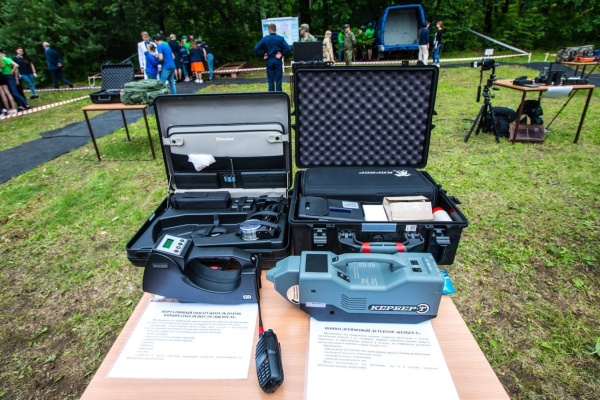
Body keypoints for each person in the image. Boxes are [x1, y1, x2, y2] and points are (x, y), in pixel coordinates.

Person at [253, 23, 291, 92]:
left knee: (270, 81)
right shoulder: (280, 38)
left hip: (269, 60)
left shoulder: (265, 39)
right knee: (278, 81)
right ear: (275, 30)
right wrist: (282, 54)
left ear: (270, 30)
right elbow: (288, 48)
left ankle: (271, 96)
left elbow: (256, 48)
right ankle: (279, 96)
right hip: (278, 60)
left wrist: (263, 54)